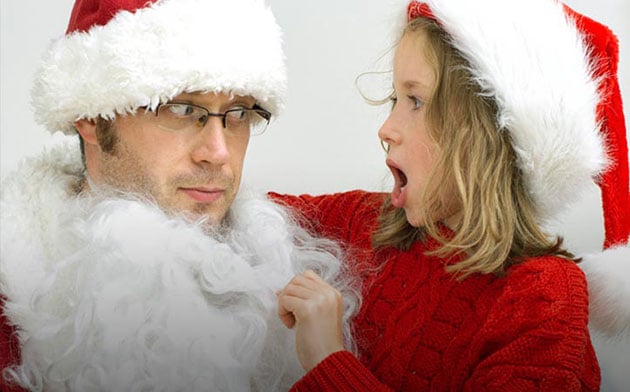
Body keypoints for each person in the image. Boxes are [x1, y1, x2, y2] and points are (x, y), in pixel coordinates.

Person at [0, 0, 359, 391]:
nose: (219, 153)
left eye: (239, 113)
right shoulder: (12, 293)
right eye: (183, 109)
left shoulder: (304, 237)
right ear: (90, 116)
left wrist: (330, 367)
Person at [274, 0, 630, 390]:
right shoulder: (363, 223)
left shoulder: (543, 297)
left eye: (416, 101)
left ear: (484, 135)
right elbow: (234, 214)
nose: (386, 129)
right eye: (395, 100)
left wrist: (327, 360)